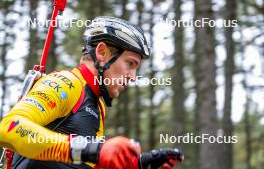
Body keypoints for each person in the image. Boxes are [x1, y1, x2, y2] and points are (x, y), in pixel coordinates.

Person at [0, 16, 184, 169]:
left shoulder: (97, 105)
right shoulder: (66, 83)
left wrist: (139, 163)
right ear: (102, 53)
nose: (133, 77)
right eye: (130, 64)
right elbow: (8, 129)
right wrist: (93, 150)